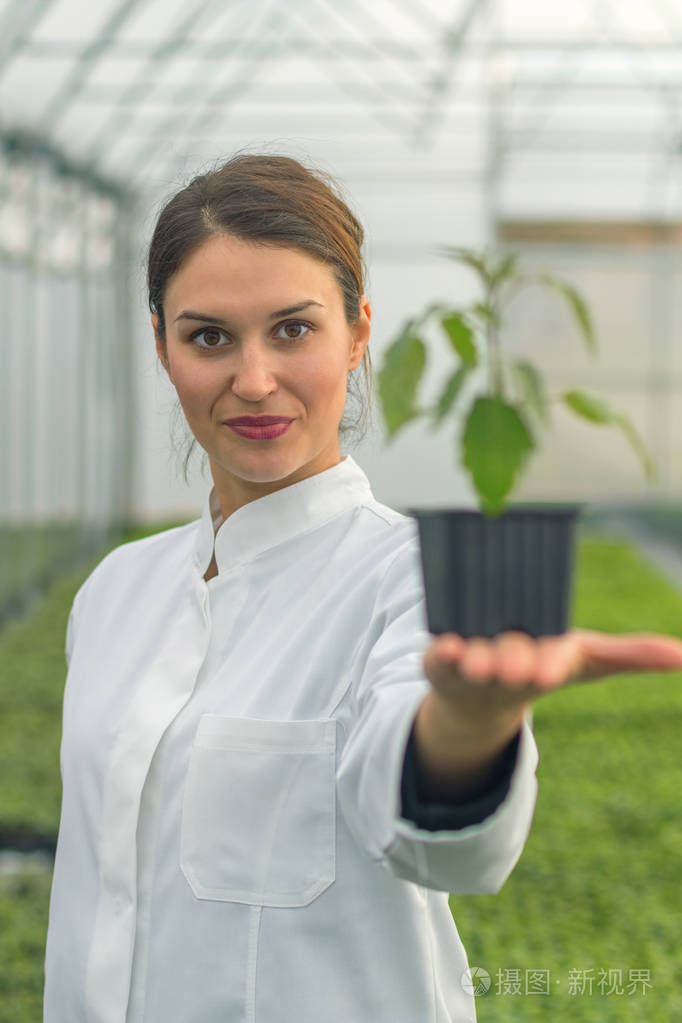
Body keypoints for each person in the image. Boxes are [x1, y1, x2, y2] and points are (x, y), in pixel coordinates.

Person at [43, 153, 682, 1023]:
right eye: (209, 337)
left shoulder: (410, 580)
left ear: (358, 330)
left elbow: (435, 833)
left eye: (294, 330)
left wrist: (466, 727)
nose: (255, 379)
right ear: (161, 344)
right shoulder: (115, 592)